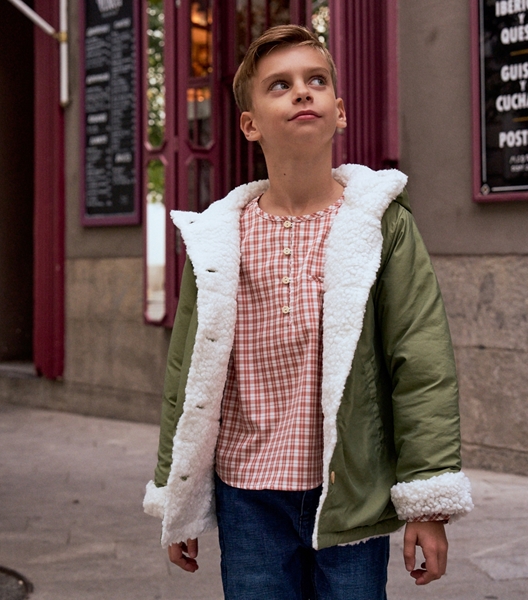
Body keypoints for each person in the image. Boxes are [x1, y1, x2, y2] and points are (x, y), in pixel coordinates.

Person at [143, 24, 473, 600]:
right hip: (246, 497)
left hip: (349, 491)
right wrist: (179, 497)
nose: (302, 92)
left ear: (338, 112)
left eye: (315, 81)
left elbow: (421, 364)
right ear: (250, 124)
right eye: (280, 85)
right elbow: (187, 375)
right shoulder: (219, 238)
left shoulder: (379, 224)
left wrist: (428, 499)